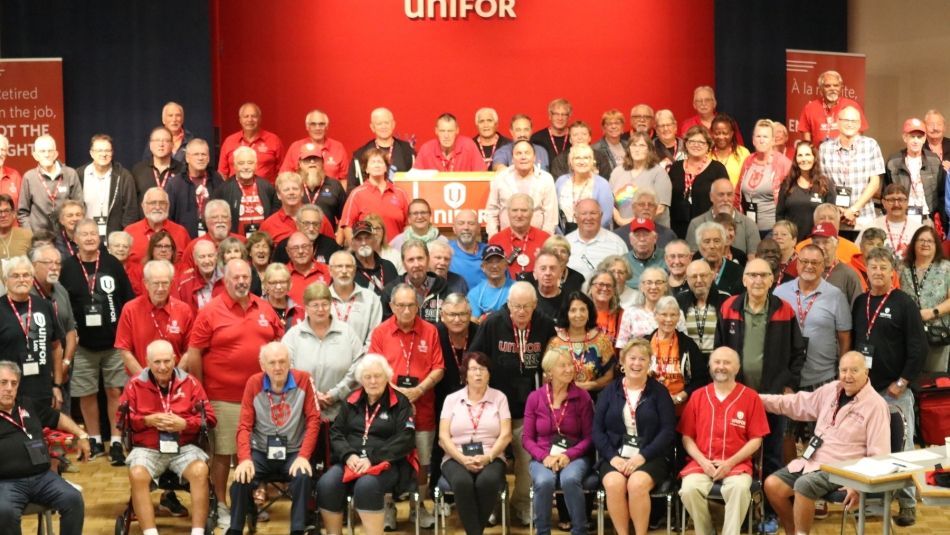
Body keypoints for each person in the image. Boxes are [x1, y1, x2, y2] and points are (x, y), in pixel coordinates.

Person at [180, 258, 284, 528]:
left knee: (250, 454)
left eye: (245, 277)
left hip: (261, 398)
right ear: (224, 280)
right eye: (236, 277)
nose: (241, 282)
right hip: (222, 398)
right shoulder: (210, 311)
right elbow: (194, 354)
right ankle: (222, 504)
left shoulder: (264, 307)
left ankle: (246, 502)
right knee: (224, 455)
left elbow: (280, 345)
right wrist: (201, 395)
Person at [761, 351, 889, 535]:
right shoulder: (832, 389)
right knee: (772, 485)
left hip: (844, 469)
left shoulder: (876, 405)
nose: (848, 376)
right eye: (843, 370)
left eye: (854, 370)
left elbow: (880, 455)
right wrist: (758, 400)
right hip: (813, 461)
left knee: (803, 486)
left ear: (866, 372)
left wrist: (858, 486)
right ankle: (793, 531)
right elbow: (796, 403)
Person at [715, 258, 806, 491]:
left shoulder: (784, 309)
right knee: (739, 451)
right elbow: (720, 349)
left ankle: (769, 510)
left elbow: (798, 352)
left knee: (773, 452)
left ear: (772, 280)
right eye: (753, 275)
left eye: (763, 275)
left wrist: (789, 385)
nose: (758, 280)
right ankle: (744, 505)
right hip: (737, 394)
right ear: (744, 280)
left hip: (773, 395)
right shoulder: (729, 307)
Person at [852, 246, 928, 524]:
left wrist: (903, 381)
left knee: (903, 448)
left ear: (892, 273)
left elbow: (919, 348)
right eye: (873, 267)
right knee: (868, 447)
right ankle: (872, 501)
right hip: (865, 391)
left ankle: (907, 503)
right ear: (867, 272)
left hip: (895, 390)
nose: (878, 272)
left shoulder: (903, 303)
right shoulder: (860, 302)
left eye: (884, 267)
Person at [470, 282, 556, 525]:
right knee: (492, 458)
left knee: (527, 459)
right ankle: (492, 505)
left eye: (526, 307)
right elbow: (475, 358)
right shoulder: (493, 323)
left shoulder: (545, 324)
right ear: (508, 304)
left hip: (529, 407)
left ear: (535, 305)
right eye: (516, 306)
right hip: (495, 407)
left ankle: (521, 504)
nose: (520, 311)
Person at [120, 339, 217, 535]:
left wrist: (185, 424)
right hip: (147, 447)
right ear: (147, 362)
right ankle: (150, 532)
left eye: (167, 361)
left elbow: (210, 419)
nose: (162, 367)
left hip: (184, 446)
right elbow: (121, 422)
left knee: (200, 470)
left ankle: (198, 532)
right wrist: (147, 421)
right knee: (137, 474)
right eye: (157, 362)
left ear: (175, 359)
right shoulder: (134, 385)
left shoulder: (191, 383)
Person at [315, 354, 417, 535]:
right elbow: (336, 432)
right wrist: (348, 455)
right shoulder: (351, 400)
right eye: (367, 377)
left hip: (385, 463)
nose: (373, 381)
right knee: (326, 484)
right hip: (351, 461)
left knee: (366, 486)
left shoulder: (401, 402)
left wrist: (372, 458)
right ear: (361, 379)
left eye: (377, 376)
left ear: (387, 377)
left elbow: (406, 438)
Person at [369, 283, 444, 526]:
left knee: (423, 461)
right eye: (400, 305)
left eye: (411, 305)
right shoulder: (380, 332)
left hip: (422, 407)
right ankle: (388, 507)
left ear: (419, 305)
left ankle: (418, 507)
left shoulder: (430, 331)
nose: (406, 310)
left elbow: (439, 367)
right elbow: (375, 369)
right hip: (389, 409)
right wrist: (401, 393)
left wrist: (419, 389)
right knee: (388, 459)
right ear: (391, 306)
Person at [60, 218, 135, 463]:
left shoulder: (112, 263)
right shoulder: (67, 267)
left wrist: (125, 332)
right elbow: (62, 305)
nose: (90, 238)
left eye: (94, 233)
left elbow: (128, 300)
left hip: (113, 342)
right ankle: (93, 438)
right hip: (82, 345)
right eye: (85, 234)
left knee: (115, 390)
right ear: (75, 239)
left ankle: (115, 441)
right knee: (87, 392)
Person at [226, 342, 320, 535]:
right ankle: (235, 529)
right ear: (263, 366)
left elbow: (314, 420)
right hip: (261, 452)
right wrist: (244, 459)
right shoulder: (254, 383)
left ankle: (298, 529)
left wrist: (303, 455)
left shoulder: (304, 380)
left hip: (294, 452)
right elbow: (244, 425)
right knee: (240, 480)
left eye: (282, 362)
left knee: (303, 476)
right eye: (272, 363)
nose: (278, 367)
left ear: (289, 363)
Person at [678, 347, 769, 535]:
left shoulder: (751, 397)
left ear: (737, 367)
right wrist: (703, 462)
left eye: (727, 363)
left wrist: (729, 463)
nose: (721, 367)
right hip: (701, 464)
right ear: (710, 366)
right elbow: (687, 437)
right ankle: (706, 531)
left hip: (737, 465)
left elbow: (756, 440)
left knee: (740, 489)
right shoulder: (697, 396)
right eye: (717, 362)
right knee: (688, 489)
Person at [594, 339, 675, 535]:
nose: (636, 364)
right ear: (622, 362)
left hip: (651, 456)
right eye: (632, 358)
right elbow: (597, 430)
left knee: (636, 484)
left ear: (649, 363)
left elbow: (667, 431)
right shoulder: (609, 392)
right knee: (613, 484)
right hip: (616, 455)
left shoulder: (659, 392)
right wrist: (613, 457)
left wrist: (642, 456)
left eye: (642, 359)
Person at [0, 360, 89, 535]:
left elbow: (58, 418)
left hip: (42, 478)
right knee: (5, 512)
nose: (9, 388)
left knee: (73, 499)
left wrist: (82, 435)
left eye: (14, 383)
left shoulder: (27, 404)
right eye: (3, 383)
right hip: (6, 482)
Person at [438, 352, 512, 535]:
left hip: (491, 455)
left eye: (482, 369)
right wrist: (462, 459)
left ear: (489, 374)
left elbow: (506, 435)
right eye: (473, 369)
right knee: (462, 482)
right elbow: (443, 437)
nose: (478, 374)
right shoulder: (452, 399)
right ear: (465, 374)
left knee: (486, 481)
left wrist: (488, 457)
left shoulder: (499, 398)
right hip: (455, 456)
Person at [524, 349, 594, 535]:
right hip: (543, 456)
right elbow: (527, 439)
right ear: (549, 371)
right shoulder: (535, 398)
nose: (569, 369)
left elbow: (589, 437)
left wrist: (567, 455)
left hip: (575, 454)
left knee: (570, 479)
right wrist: (544, 456)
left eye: (570, 364)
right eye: (562, 365)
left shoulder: (582, 397)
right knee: (544, 481)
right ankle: (543, 531)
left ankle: (579, 530)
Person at [773, 245, 853, 390]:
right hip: (786, 378)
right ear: (797, 264)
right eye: (804, 261)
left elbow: (844, 338)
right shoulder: (779, 293)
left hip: (823, 378)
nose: (809, 266)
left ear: (823, 267)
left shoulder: (836, 296)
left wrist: (843, 372)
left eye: (815, 263)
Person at [284, 281, 363, 423]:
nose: (321, 309)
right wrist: (312, 395)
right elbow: (286, 368)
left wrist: (336, 393)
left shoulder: (347, 332)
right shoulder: (293, 335)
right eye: (315, 305)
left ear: (331, 304)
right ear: (306, 307)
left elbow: (359, 365)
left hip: (342, 414)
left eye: (325, 304)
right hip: (303, 414)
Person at [0, 256, 64, 409]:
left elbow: (56, 347)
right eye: (15, 276)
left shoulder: (45, 306)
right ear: (5, 280)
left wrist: (57, 385)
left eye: (26, 275)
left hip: (42, 390)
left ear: (32, 278)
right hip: (9, 392)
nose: (22, 279)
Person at [115, 260, 195, 375]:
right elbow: (124, 350)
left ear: (172, 283)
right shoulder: (130, 309)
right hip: (140, 380)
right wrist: (144, 380)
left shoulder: (184, 310)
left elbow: (189, 350)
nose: (161, 288)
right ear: (146, 284)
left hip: (176, 380)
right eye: (156, 283)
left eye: (165, 283)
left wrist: (175, 377)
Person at [818, 106, 885, 236]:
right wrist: (839, 210)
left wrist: (854, 209)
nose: (850, 124)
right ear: (837, 122)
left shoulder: (870, 145)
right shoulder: (825, 148)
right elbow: (823, 184)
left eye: (854, 121)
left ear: (859, 124)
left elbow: (875, 182)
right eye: (846, 120)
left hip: (863, 218)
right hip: (835, 219)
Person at [647, 296, 709, 414]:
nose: (668, 319)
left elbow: (701, 379)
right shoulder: (644, 343)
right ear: (655, 315)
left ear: (679, 317)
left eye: (673, 315)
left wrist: (681, 396)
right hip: (650, 406)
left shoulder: (688, 345)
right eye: (664, 314)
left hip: (680, 408)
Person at [546, 291, 616, 395]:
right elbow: (547, 376)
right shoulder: (555, 342)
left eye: (583, 309)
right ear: (566, 314)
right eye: (573, 310)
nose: (578, 314)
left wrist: (592, 385)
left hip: (595, 401)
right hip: (562, 399)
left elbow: (610, 376)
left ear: (589, 313)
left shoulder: (601, 340)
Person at [900, 226, 950, 372]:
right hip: (907, 332)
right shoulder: (902, 268)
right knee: (908, 375)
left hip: (937, 333)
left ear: (936, 245)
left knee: (934, 380)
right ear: (914, 243)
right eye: (921, 240)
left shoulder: (946, 268)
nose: (925, 244)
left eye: (930, 241)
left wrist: (933, 312)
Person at [885, 117, 947, 231]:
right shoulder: (893, 162)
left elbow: (942, 194)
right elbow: (885, 195)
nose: (915, 141)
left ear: (924, 139)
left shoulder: (934, 161)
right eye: (912, 136)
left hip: (927, 218)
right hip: (901, 217)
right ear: (905, 138)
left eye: (919, 137)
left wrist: (940, 218)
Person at [668, 126, 730, 238]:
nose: (696, 145)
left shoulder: (717, 169)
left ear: (708, 146)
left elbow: (725, 201)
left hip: (708, 229)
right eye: (692, 141)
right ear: (686, 144)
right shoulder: (675, 167)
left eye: (701, 142)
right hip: (677, 228)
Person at [485, 141, 558, 236]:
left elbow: (550, 216)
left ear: (534, 157)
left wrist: (544, 242)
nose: (523, 157)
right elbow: (491, 211)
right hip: (506, 239)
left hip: (537, 241)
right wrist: (493, 238)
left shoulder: (546, 179)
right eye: (518, 153)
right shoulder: (500, 178)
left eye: (527, 153)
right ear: (512, 158)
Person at [340, 148, 410, 244]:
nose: (377, 165)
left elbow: (408, 225)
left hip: (396, 253)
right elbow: (347, 226)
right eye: (373, 162)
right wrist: (358, 250)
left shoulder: (400, 193)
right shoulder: (357, 194)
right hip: (368, 254)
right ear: (366, 169)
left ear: (386, 168)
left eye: (380, 162)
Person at [735, 119, 792, 233]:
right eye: (758, 136)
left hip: (772, 229)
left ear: (772, 140)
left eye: (765, 137)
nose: (761, 140)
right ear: (753, 140)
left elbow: (790, 198)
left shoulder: (782, 162)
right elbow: (737, 193)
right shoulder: (748, 161)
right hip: (747, 228)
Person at [17, 135, 83, 232]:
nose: (47, 155)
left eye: (50, 151)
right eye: (42, 151)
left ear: (56, 154)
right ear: (35, 155)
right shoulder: (29, 177)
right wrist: (30, 234)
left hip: (67, 234)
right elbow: (22, 212)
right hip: (39, 237)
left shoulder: (70, 174)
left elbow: (79, 206)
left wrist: (74, 231)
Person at [76, 134, 138, 237]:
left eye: (107, 151)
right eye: (99, 151)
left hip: (114, 238)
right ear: (91, 153)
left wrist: (123, 237)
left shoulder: (124, 176)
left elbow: (130, 211)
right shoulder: (79, 174)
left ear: (112, 153)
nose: (104, 154)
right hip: (86, 237)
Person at [610, 132, 673, 228]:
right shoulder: (617, 172)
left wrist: (631, 222)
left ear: (649, 150)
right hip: (623, 230)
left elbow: (660, 209)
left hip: (652, 231)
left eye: (642, 145)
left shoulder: (659, 173)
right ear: (629, 149)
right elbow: (609, 203)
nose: (637, 149)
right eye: (634, 145)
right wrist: (619, 220)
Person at [776, 142, 836, 241]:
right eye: (800, 155)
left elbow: (831, 218)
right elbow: (779, 215)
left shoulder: (825, 185)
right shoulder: (787, 184)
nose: (804, 159)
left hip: (817, 242)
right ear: (795, 159)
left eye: (807, 155)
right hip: (791, 242)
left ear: (814, 158)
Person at [167, 139, 226, 239]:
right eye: (196, 154)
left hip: (213, 239)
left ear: (208, 158)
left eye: (203, 154)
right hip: (184, 239)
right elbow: (169, 218)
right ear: (187, 158)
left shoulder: (217, 180)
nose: (200, 158)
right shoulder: (175, 184)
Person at [380, 240, 450, 324]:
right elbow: (386, 328)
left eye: (420, 258)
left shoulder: (444, 288)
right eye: (411, 260)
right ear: (403, 263)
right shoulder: (390, 291)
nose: (416, 264)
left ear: (428, 260)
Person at [213, 148, 278, 238]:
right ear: (234, 166)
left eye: (250, 163)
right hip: (236, 245)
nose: (246, 167)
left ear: (256, 165)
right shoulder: (223, 190)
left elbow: (274, 216)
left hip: (262, 244)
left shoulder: (267, 187)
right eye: (241, 163)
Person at [327, 250, 383, 351]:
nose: (344, 271)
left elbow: (374, 338)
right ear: (330, 270)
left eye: (348, 266)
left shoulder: (370, 299)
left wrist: (360, 362)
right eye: (339, 266)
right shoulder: (320, 299)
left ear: (355, 270)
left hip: (361, 363)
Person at [686, 178, 760, 254]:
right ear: (711, 197)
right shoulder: (696, 224)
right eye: (721, 195)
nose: (725, 199)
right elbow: (692, 259)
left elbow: (754, 261)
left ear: (734, 196)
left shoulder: (749, 225)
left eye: (729, 194)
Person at [616, 267, 686, 346]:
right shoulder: (630, 313)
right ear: (642, 286)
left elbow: (685, 345)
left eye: (658, 282)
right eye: (649, 282)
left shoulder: (677, 313)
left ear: (666, 286)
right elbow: (622, 347)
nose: (653, 287)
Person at [487, 193, 551, 279]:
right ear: (508, 212)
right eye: (514, 210)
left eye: (524, 210)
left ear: (532, 213)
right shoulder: (495, 240)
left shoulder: (546, 239)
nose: (519, 215)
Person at [218, 102, 285, 183]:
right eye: (246, 116)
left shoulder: (274, 140)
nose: (250, 120)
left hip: (266, 193)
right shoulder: (229, 141)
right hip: (235, 192)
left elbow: (282, 172)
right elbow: (222, 173)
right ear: (240, 120)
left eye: (253, 116)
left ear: (260, 119)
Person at [796, 70, 869, 144]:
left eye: (836, 85)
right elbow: (806, 140)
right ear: (821, 88)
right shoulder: (810, 108)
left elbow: (859, 133)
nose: (832, 89)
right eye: (827, 86)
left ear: (841, 87)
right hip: (819, 153)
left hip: (846, 153)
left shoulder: (853, 106)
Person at [124, 187, 191, 266]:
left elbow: (189, 266)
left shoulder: (181, 232)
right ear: (143, 206)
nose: (158, 207)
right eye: (153, 203)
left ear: (168, 206)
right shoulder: (130, 232)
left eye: (162, 203)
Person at [676, 260, 731, 355]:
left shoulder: (726, 300)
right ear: (686, 279)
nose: (699, 280)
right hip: (689, 361)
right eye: (694, 276)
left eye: (703, 275)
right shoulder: (679, 300)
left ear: (712, 276)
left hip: (717, 361)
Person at [554, 143, 613, 231]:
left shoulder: (602, 184)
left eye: (586, 158)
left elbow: (606, 218)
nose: (582, 162)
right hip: (564, 235)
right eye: (577, 158)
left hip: (593, 235)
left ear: (592, 161)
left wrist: (586, 235)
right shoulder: (561, 181)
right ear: (571, 161)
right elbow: (554, 213)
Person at [564, 199, 627, 280]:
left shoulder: (617, 244)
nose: (589, 217)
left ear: (601, 216)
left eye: (593, 213)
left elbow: (624, 278)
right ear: (576, 217)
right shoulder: (565, 244)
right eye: (584, 213)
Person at [280, 109, 350, 179]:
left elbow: (345, 179)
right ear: (307, 127)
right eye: (313, 124)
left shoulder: (338, 147)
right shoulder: (295, 147)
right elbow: (284, 177)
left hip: (332, 189)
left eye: (321, 124)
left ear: (327, 127)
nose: (317, 128)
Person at [296, 146, 348, 234]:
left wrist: (337, 241)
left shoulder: (334, 185)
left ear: (322, 162)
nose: (312, 162)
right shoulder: (294, 185)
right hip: (300, 241)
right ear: (300, 163)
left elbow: (345, 217)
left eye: (316, 159)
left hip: (328, 241)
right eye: (307, 159)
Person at [810, 222, 864, 305]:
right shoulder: (806, 272)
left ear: (837, 243)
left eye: (825, 242)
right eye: (816, 242)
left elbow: (859, 310)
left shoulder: (849, 275)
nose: (820, 247)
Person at [132, 126, 185, 209]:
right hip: (146, 221)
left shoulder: (183, 170)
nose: (161, 144)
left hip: (173, 221)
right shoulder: (138, 170)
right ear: (150, 145)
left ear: (172, 145)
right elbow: (132, 204)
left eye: (166, 141)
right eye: (157, 140)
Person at [414, 113, 487, 172]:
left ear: (457, 130)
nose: (446, 136)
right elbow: (414, 178)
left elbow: (482, 175)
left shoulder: (469, 146)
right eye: (442, 131)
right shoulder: (426, 149)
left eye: (450, 131)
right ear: (436, 131)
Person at [612, 188, 679, 251]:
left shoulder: (668, 235)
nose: (646, 207)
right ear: (633, 208)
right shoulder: (618, 235)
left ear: (656, 209)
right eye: (641, 204)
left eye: (650, 205)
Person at [794, 203, 862, 264]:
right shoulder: (801, 248)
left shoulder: (852, 249)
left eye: (831, 218)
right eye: (822, 218)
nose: (827, 221)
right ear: (814, 222)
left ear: (838, 223)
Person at [679, 86, 746, 146]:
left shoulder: (727, 123)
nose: (703, 104)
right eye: (699, 101)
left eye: (707, 100)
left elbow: (739, 148)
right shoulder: (687, 125)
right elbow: (683, 150)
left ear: (714, 103)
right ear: (694, 105)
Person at [350, 220, 399, 296]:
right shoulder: (348, 270)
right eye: (359, 239)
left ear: (374, 240)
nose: (364, 243)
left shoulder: (388, 266)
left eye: (367, 238)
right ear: (352, 243)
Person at [693, 221, 744, 295]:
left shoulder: (738, 272)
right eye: (707, 242)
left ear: (724, 244)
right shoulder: (692, 271)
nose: (712, 246)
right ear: (699, 246)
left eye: (717, 241)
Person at [174, 240, 223, 313]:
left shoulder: (227, 279)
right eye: (202, 257)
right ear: (195, 260)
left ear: (216, 257)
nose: (207, 261)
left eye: (210, 256)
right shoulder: (184, 283)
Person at [466, 244, 512, 321]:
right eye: (489, 262)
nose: (494, 266)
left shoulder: (517, 289)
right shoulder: (474, 293)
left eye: (498, 261)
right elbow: (473, 322)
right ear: (482, 267)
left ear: (505, 265)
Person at [284, 231, 331, 304]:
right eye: (295, 248)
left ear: (312, 247)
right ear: (288, 251)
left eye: (304, 246)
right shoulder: (281, 275)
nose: (300, 251)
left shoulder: (329, 271)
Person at [259, 171, 307, 244]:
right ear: (278, 195)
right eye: (286, 190)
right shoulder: (268, 225)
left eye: (295, 189)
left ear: (302, 192)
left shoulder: (318, 219)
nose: (291, 192)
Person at [622, 217, 665, 290]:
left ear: (655, 238)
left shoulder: (667, 258)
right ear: (631, 240)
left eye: (645, 234)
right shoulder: (622, 262)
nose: (642, 239)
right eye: (637, 235)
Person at [448, 209, 487, 289]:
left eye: (471, 223)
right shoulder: (445, 251)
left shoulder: (490, 252)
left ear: (479, 228)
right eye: (461, 223)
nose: (466, 227)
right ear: (454, 228)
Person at [586, 270, 624, 348]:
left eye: (609, 285)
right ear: (590, 287)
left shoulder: (622, 316)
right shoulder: (580, 313)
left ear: (614, 290)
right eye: (600, 284)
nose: (604, 288)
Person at [709, 114, 749, 187]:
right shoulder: (706, 154)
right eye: (717, 133)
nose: (721, 137)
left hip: (736, 197)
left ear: (732, 133)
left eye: (725, 133)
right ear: (712, 133)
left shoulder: (743, 153)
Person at [262, 263, 305, 330]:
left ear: (289, 284)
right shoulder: (258, 308)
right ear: (266, 285)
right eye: (273, 283)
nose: (278, 287)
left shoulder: (299, 311)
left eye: (282, 282)